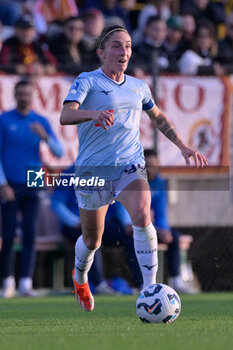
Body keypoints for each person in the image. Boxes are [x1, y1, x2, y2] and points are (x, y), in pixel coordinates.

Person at [60, 24, 208, 312]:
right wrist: (93, 114)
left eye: (127, 45)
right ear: (101, 52)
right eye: (116, 45)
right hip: (93, 170)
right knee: (92, 239)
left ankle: (150, 287)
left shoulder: (139, 86)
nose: (123, 51)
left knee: (142, 214)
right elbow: (66, 115)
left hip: (130, 163)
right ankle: (80, 277)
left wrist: (182, 146)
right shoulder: (87, 80)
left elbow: (158, 117)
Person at [0, 79, 63, 298]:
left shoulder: (40, 121)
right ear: (15, 95)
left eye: (28, 94)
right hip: (10, 180)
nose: (24, 97)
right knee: (7, 236)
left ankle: (26, 283)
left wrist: (44, 137)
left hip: (34, 177)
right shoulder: (4, 120)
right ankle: (7, 282)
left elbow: (59, 151)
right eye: (21, 94)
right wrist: (2, 183)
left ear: (33, 96)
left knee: (30, 234)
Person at [144, 149, 198, 293]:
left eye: (155, 165)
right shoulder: (135, 182)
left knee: (174, 237)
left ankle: (177, 281)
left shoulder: (160, 182)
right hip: (136, 226)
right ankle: (143, 284)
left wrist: (163, 230)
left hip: (153, 225)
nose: (152, 169)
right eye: (148, 165)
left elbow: (160, 212)